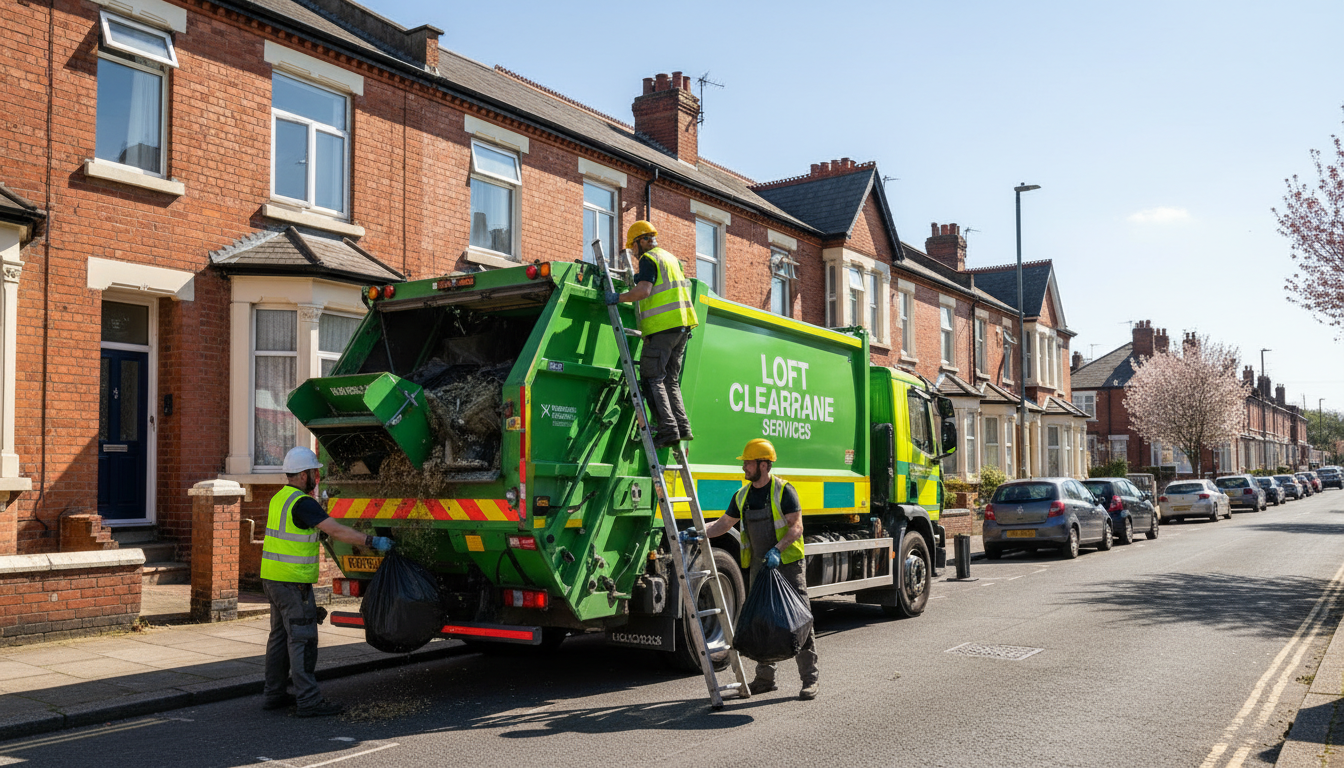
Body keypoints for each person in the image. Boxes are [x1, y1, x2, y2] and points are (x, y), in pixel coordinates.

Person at [262, 446, 393, 716]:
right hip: (293, 583)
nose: (316, 477)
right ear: (302, 475)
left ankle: (274, 694)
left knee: (279, 638)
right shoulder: (302, 502)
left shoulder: (280, 498)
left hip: (273, 579)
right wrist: (370, 540)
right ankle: (309, 701)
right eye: (314, 472)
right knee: (302, 639)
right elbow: (334, 529)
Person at [693, 438, 818, 700]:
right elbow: (724, 524)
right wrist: (697, 533)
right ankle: (765, 679)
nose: (744, 468)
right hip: (760, 567)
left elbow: (797, 527)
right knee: (763, 621)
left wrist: (777, 549)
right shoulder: (742, 495)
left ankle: (810, 679)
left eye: (748, 463)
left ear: (763, 464)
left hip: (787, 565)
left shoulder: (784, 491)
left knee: (800, 622)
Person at [605, 220, 698, 448]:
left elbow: (645, 291)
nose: (634, 253)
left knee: (652, 377)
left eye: (633, 247)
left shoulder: (649, 259)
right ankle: (682, 426)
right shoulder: (670, 258)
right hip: (682, 326)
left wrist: (619, 297)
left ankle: (667, 429)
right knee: (670, 380)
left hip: (663, 327)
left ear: (641, 241)